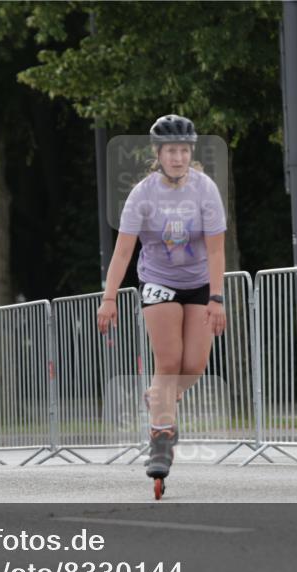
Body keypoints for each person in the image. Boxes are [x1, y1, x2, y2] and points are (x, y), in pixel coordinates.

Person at [96, 114, 227, 498]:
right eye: (171, 150)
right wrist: (109, 298)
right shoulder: (142, 194)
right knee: (168, 361)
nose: (178, 157)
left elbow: (217, 248)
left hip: (200, 282)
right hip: (158, 281)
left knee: (194, 366)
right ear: (158, 153)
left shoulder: (205, 189)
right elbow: (123, 251)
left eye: (185, 150)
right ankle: (160, 441)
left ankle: (160, 398)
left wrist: (217, 297)